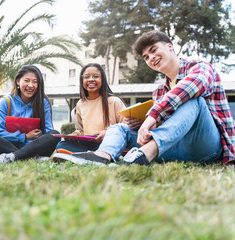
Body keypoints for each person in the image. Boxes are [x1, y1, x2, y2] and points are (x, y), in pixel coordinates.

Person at [52, 30, 235, 166]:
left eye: (154, 50)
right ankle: (102, 157)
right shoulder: (158, 91)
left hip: (206, 146)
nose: (152, 58)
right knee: (120, 127)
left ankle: (143, 155)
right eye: (147, 57)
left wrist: (153, 115)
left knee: (195, 99)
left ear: (170, 47)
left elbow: (191, 87)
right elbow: (167, 125)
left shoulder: (200, 67)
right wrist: (140, 125)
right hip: (173, 147)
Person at [0, 65, 60, 163]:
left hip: (35, 148)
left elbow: (48, 131)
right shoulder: (6, 101)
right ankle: (29, 158)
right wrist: (25, 137)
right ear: (18, 81)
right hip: (9, 146)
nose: (30, 85)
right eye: (26, 80)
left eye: (35, 82)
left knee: (55, 135)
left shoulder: (43, 103)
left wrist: (35, 140)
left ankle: (14, 157)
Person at [54, 63, 126, 154]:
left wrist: (107, 133)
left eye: (96, 76)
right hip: (88, 144)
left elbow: (125, 128)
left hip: (109, 142)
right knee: (61, 145)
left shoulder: (114, 101)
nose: (91, 79)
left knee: (114, 145)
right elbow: (81, 130)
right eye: (87, 77)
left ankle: (97, 154)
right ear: (82, 80)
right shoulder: (80, 104)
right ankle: (92, 154)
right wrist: (74, 135)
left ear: (102, 79)